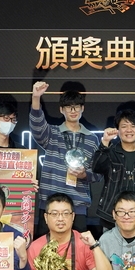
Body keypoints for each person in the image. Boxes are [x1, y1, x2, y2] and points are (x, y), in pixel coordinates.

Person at [30, 82, 100, 233]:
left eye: (76, 106)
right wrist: (36, 97)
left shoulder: (92, 139)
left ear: (82, 108)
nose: (73, 110)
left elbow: (98, 172)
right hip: (50, 204)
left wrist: (84, 175)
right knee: (46, 247)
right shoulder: (52, 133)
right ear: (61, 109)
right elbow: (37, 126)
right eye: (68, 107)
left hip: (78, 205)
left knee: (77, 247)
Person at [93, 108, 135, 229]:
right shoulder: (109, 153)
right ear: (117, 129)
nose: (129, 130)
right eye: (124, 126)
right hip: (111, 219)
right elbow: (96, 167)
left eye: (133, 126)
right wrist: (105, 142)